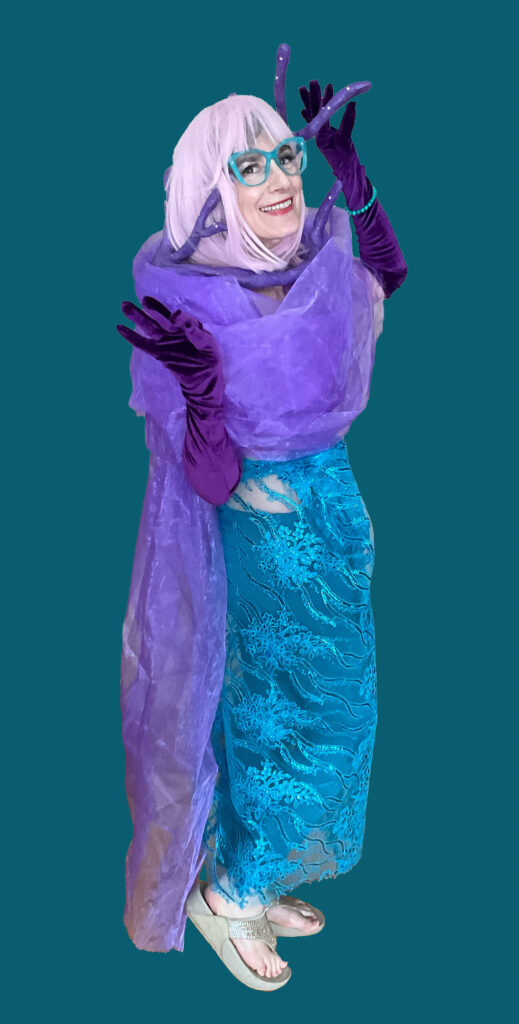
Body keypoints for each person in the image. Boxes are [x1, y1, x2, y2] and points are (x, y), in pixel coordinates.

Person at [117, 43, 407, 991]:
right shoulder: (187, 306)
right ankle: (228, 896)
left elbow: (383, 276)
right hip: (266, 549)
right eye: (251, 166)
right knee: (275, 719)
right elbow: (206, 480)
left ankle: (257, 865)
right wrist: (200, 390)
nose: (283, 179)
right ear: (210, 190)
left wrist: (353, 181)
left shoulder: (314, 260)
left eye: (288, 156)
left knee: (335, 711)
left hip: (332, 528)